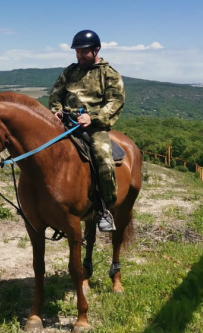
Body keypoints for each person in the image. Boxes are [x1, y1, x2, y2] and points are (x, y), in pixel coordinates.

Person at [49, 29, 125, 232]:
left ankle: (104, 208)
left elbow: (115, 102)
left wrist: (93, 118)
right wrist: (56, 111)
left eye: (84, 52)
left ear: (95, 50)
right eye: (77, 52)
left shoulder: (109, 74)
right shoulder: (70, 71)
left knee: (102, 156)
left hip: (93, 126)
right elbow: (56, 94)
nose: (80, 56)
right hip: (65, 122)